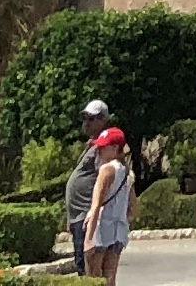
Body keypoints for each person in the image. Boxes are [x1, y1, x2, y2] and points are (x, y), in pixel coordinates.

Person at [78, 126, 134, 283]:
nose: (99, 150)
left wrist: (88, 239)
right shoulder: (127, 172)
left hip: (100, 231)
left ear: (115, 148)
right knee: (110, 280)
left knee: (94, 279)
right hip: (118, 232)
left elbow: (96, 205)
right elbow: (132, 209)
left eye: (103, 147)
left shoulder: (107, 170)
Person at [61, 109, 113, 274]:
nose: (86, 123)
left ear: (102, 120)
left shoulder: (102, 148)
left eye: (90, 119)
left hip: (86, 215)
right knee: (81, 263)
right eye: (84, 118)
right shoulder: (92, 146)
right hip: (77, 216)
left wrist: (93, 212)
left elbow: (102, 179)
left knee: (85, 265)